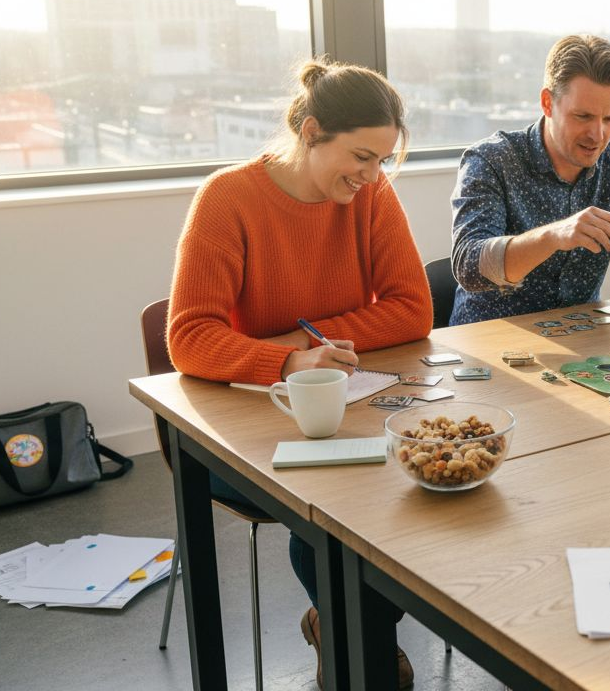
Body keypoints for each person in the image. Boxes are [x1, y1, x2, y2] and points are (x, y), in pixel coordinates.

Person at [167, 58, 431, 689]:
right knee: (326, 513)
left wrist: (302, 339)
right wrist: (285, 360)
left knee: (413, 492)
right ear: (312, 131)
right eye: (361, 157)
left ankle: (346, 632)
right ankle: (358, 644)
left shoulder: (371, 196)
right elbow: (187, 336)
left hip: (343, 404)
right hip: (245, 427)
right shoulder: (228, 198)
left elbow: (413, 308)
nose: (371, 178)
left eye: (382, 161)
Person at [449, 34, 610, 326]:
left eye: (609, 119)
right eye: (583, 116)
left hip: (582, 344)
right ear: (547, 103)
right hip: (488, 345)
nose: (597, 135)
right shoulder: (491, 160)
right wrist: (554, 236)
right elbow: (469, 265)